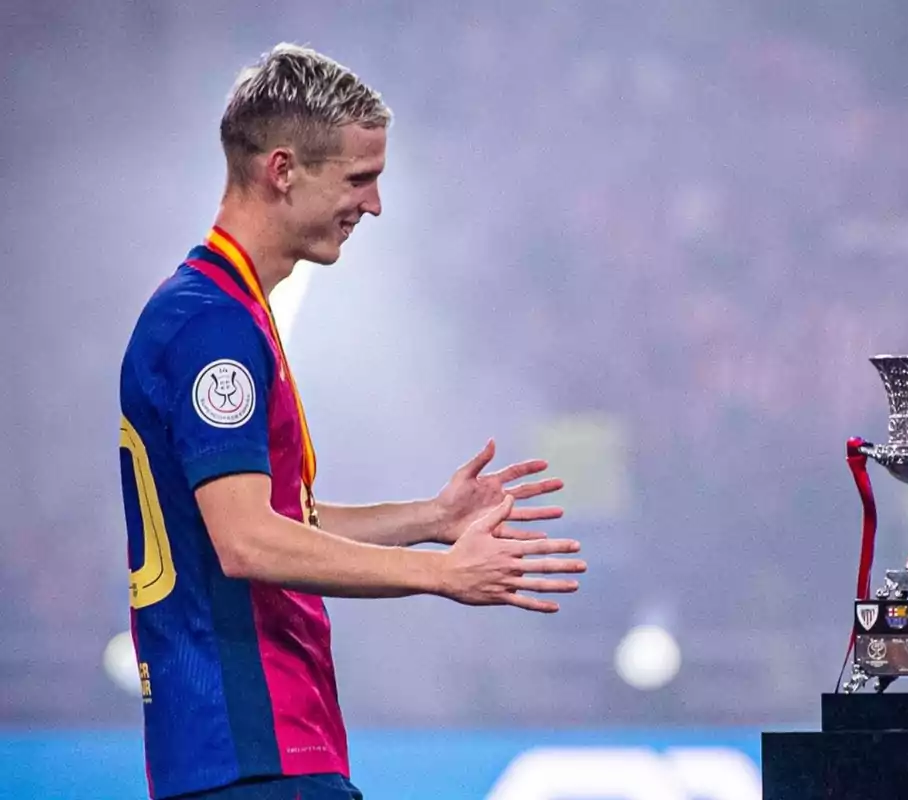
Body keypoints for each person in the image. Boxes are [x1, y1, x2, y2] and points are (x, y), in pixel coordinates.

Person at [117, 43, 586, 800]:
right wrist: (442, 573)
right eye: (359, 180)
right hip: (251, 747)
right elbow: (246, 540)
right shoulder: (211, 326)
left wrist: (429, 518)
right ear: (282, 170)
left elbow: (275, 516)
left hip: (254, 751)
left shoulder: (224, 311)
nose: (373, 205)